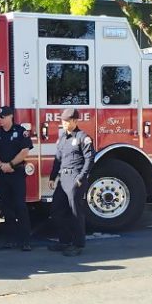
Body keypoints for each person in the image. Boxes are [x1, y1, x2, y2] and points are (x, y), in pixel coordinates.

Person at [48, 108, 95, 256]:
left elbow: (90, 159)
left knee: (76, 213)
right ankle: (64, 241)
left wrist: (81, 177)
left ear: (75, 121)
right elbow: (58, 159)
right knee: (56, 210)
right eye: (63, 121)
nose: (64, 123)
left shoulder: (83, 137)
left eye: (67, 121)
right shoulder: (63, 138)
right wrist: (52, 177)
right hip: (63, 179)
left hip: (76, 178)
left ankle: (78, 244)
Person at [0, 106, 34, 251]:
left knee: (20, 206)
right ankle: (10, 239)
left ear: (10, 117)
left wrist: (11, 164)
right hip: (2, 174)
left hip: (17, 173)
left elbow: (25, 150)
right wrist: (1, 164)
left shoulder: (20, 131)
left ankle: (25, 240)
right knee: (6, 207)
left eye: (3, 117)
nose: (0, 120)